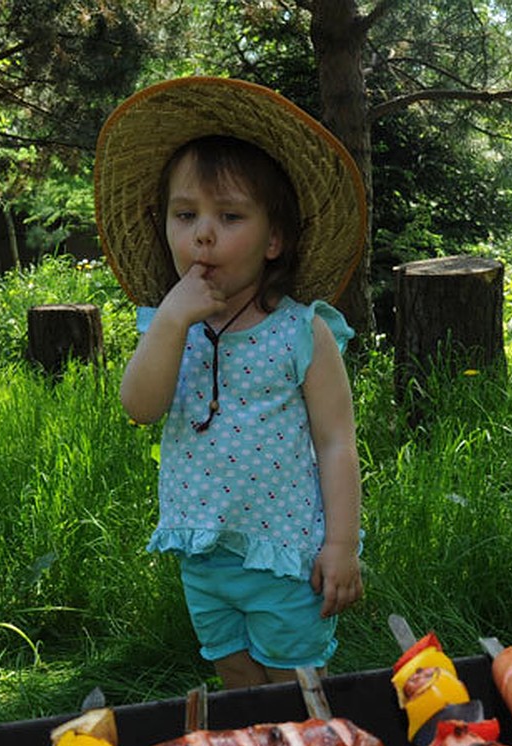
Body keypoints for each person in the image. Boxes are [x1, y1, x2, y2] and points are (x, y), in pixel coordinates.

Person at [94, 77, 368, 689]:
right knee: (239, 685)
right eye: (185, 214)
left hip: (286, 554)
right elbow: (140, 407)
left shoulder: (302, 333)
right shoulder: (168, 326)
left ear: (274, 240)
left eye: (230, 216)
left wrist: (342, 545)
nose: (203, 234)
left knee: (299, 690)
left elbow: (336, 442)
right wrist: (170, 318)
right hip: (204, 553)